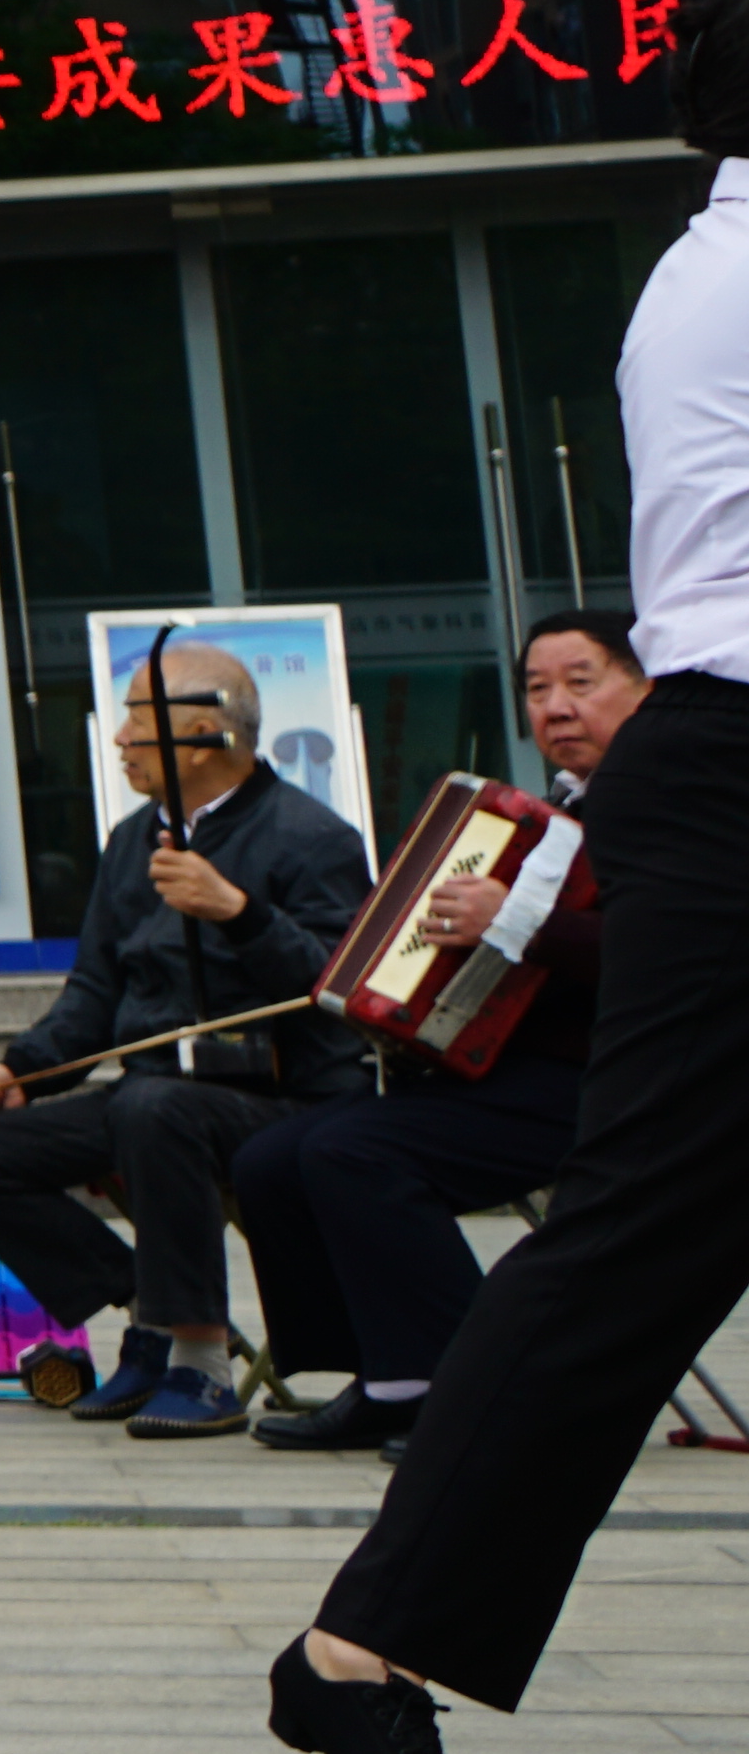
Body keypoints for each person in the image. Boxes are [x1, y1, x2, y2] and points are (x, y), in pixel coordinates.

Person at [289, 0, 749, 1754]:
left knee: (644, 1230)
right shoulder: (728, 269)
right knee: (643, 1233)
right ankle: (360, 1647)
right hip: (732, 776)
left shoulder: (698, 262)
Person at [0, 642, 370, 1438]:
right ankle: (153, 1310)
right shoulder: (133, 840)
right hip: (150, 1100)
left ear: (205, 731)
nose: (120, 739)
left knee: (157, 1107)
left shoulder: (310, 836)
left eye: (137, 719)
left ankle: (200, 1366)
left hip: (279, 1100)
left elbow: (344, 987)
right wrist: (24, 1069)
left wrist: (240, 912)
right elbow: (94, 994)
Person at [245, 610, 639, 1462]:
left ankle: (475, 1389)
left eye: (582, 682)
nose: (556, 707)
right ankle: (388, 1375)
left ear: (647, 693)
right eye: (537, 689)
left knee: (356, 1153)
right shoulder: (541, 819)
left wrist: (518, 925)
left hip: (615, 1081)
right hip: (507, 1069)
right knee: (271, 1161)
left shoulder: (673, 810)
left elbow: (678, 950)